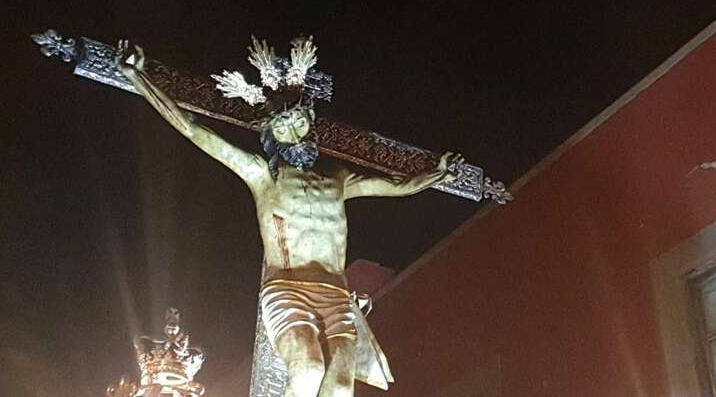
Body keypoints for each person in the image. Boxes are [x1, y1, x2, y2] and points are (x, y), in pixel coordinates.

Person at [115, 38, 460, 397]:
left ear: (310, 122)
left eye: (297, 121)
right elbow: (194, 129)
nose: (293, 132)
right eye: (282, 126)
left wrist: (439, 174)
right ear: (270, 136)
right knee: (308, 368)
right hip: (288, 288)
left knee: (342, 385)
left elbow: (396, 186)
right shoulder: (263, 176)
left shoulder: (338, 179)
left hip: (335, 293)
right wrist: (139, 77)